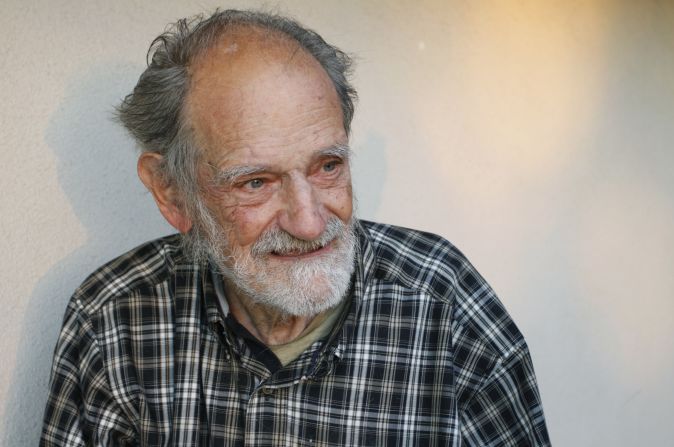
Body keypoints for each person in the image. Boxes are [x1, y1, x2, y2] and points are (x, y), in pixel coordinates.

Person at [41, 9, 550, 446]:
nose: (310, 223)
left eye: (328, 166)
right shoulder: (113, 319)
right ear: (172, 192)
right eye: (256, 182)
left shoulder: (443, 301)